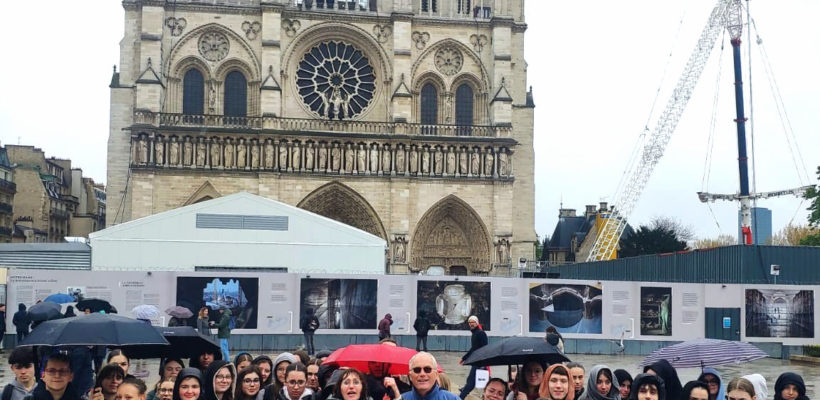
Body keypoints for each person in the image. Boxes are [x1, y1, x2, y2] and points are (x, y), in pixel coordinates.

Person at [459, 316, 488, 400]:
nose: (471, 324)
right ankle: (464, 391)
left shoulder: (480, 333)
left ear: (477, 323)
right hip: (477, 361)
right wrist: (465, 358)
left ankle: (461, 396)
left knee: (472, 382)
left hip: (480, 362)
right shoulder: (475, 333)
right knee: (476, 381)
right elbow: (474, 348)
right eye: (470, 322)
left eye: (473, 322)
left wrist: (484, 362)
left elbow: (484, 348)